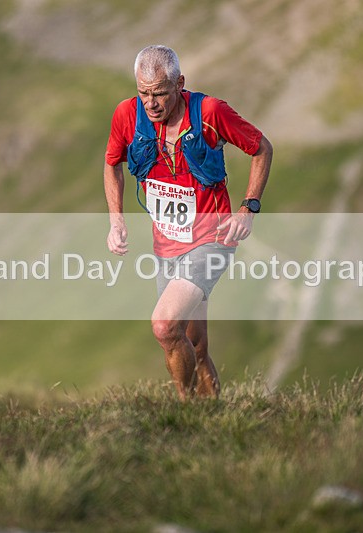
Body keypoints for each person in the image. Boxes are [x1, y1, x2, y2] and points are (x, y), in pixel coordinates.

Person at [103, 45, 272, 399]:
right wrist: (116, 220)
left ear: (180, 84)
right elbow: (112, 163)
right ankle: (212, 417)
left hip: (212, 240)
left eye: (160, 94)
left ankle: (186, 408)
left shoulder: (210, 112)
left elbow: (261, 148)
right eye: (143, 93)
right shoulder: (126, 115)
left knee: (164, 326)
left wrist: (248, 208)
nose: (150, 103)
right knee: (194, 345)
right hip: (166, 246)